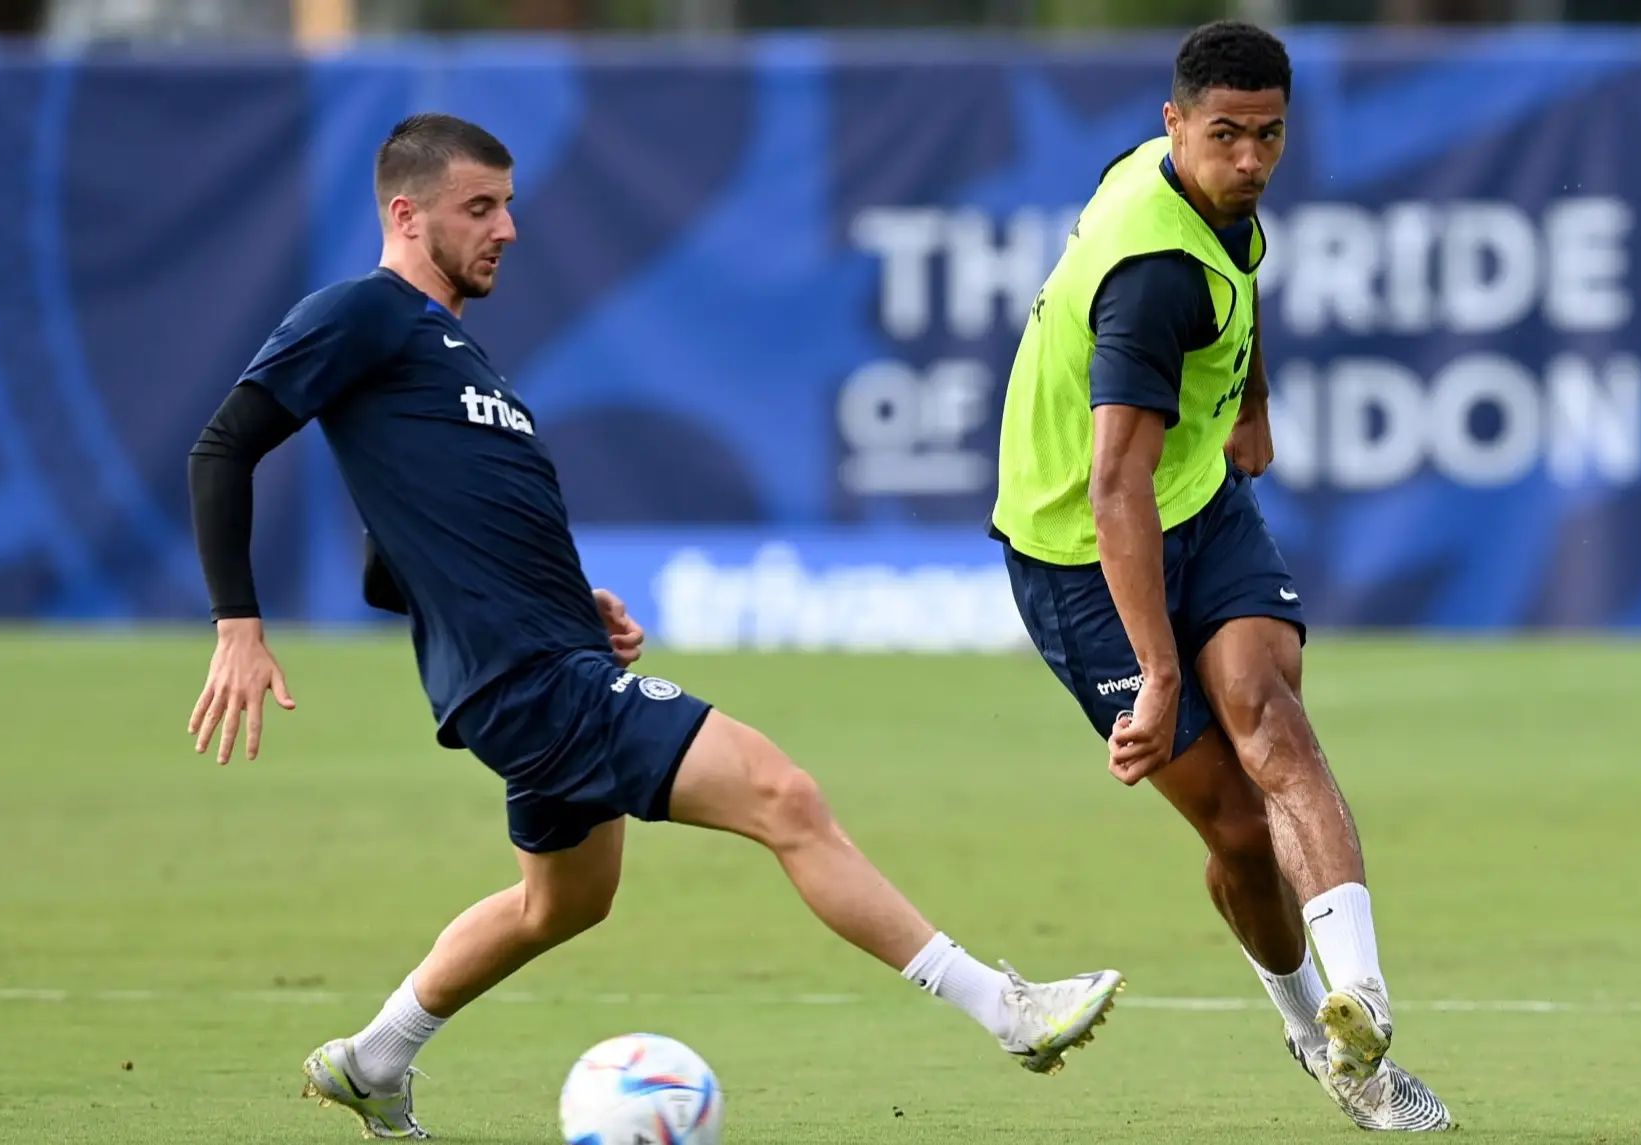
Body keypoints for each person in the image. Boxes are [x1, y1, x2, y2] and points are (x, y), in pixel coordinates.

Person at [184, 112, 1123, 1141]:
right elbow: (224, 446)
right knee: (783, 794)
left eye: (507, 204)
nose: (507, 227)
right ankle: (1004, 1007)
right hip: (532, 682)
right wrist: (239, 620)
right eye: (480, 207)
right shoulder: (361, 314)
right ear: (405, 215)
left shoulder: (455, 356)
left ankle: (373, 1057)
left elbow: (388, 562)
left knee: (563, 901)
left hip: (543, 656)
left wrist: (564, 596)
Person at [990, 21, 1452, 1133]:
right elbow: (1111, 492)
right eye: (1226, 137)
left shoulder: (1200, 200)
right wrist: (1155, 672)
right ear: (1173, 125)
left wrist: (1247, 400)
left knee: (1272, 718)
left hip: (1201, 504)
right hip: (1082, 556)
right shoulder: (1151, 275)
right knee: (1239, 832)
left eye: (1269, 137)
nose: (1249, 161)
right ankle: (1312, 1029)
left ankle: (1365, 1013)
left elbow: (1238, 288)